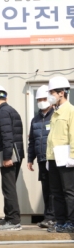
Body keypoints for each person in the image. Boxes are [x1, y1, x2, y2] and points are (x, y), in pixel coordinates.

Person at [0, 85, 24, 231]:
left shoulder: (2, 113)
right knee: (8, 187)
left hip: (9, 155)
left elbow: (7, 136)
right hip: (15, 153)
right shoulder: (10, 110)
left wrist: (7, 157)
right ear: (6, 98)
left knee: (8, 188)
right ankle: (9, 217)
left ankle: (14, 220)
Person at [45, 76, 74, 233]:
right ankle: (61, 221)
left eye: (52, 92)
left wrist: (73, 156)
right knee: (56, 193)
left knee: (69, 192)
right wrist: (49, 158)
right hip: (54, 158)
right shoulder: (54, 112)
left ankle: (71, 222)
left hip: (66, 158)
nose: (50, 95)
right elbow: (52, 138)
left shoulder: (70, 111)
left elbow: (73, 134)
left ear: (62, 93)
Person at [27, 85, 55, 229]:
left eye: (44, 99)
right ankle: (48, 217)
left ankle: (55, 217)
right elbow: (32, 141)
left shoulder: (55, 116)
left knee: (55, 189)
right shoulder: (35, 120)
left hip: (55, 159)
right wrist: (30, 159)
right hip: (42, 159)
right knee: (46, 189)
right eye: (39, 99)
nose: (41, 102)